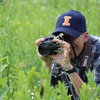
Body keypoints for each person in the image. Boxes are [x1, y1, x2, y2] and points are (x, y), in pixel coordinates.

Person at [35, 10, 100, 100]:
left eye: (71, 37)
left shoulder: (97, 51)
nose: (66, 43)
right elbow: (43, 96)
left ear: (85, 37)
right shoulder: (58, 49)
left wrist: (69, 68)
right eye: (62, 37)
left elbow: (95, 98)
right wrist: (47, 64)